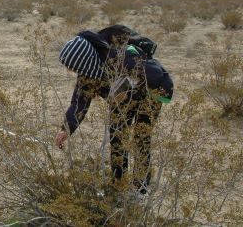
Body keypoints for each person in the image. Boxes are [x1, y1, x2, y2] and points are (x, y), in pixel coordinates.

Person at [55, 25, 173, 195]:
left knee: (141, 138)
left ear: (83, 61)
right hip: (123, 100)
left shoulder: (122, 59)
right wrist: (66, 128)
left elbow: (160, 78)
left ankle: (141, 189)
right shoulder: (88, 73)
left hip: (150, 95)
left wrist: (146, 92)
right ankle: (118, 187)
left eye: (72, 67)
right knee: (117, 136)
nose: (70, 71)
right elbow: (79, 102)